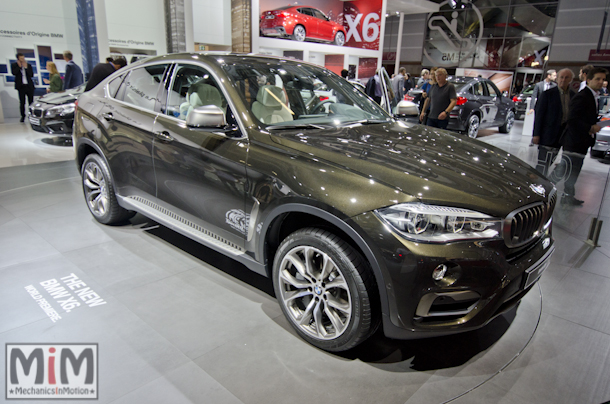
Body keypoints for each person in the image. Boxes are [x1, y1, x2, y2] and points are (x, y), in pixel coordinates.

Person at [555, 67, 607, 205]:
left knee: (573, 170)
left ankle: (568, 196)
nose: (601, 82)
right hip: (574, 141)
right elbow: (572, 119)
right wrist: (590, 127)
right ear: (588, 80)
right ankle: (544, 191)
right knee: (564, 169)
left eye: (603, 79)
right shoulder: (583, 96)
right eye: (598, 79)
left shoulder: (592, 96)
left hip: (581, 141)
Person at [532, 68, 575, 176]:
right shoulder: (548, 94)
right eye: (561, 77)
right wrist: (536, 134)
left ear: (571, 80)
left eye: (566, 77)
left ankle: (547, 181)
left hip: (563, 134)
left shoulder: (573, 96)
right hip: (548, 133)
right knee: (543, 162)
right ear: (557, 79)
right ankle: (538, 182)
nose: (563, 80)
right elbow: (539, 115)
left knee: (553, 160)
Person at [11, 53, 35, 122]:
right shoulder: (14, 65)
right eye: (21, 58)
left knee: (31, 102)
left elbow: (31, 74)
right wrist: (19, 67)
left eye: (23, 58)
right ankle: (22, 116)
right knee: (22, 102)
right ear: (18, 59)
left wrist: (26, 68)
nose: (22, 59)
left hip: (29, 86)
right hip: (21, 86)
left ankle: (31, 115)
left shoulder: (28, 65)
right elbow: (14, 73)